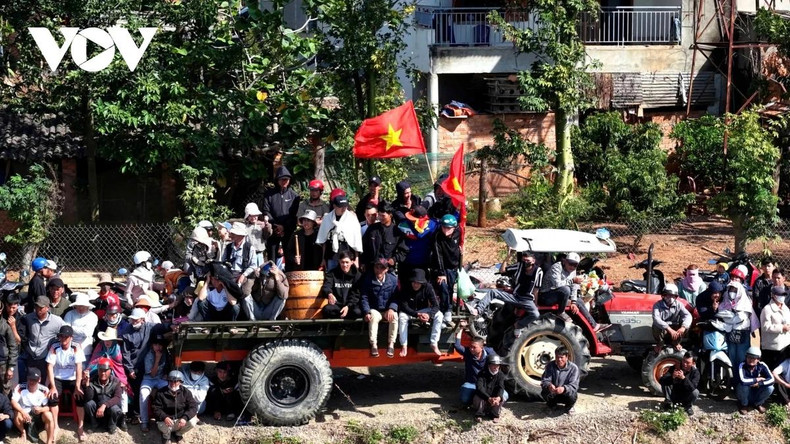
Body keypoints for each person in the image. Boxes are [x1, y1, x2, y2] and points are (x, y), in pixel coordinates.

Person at [120, 309, 170, 425]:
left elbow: (160, 327)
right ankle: (136, 415)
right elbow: (126, 353)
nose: (133, 322)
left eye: (135, 320)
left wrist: (171, 326)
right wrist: (130, 369)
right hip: (135, 365)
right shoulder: (126, 332)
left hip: (149, 362)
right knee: (137, 391)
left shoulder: (149, 327)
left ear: (142, 320)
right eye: (132, 319)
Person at [470, 250, 541, 329]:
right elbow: (502, 270)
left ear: (533, 261)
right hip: (515, 297)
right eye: (524, 260)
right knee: (493, 292)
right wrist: (508, 256)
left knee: (536, 314)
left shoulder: (538, 271)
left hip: (527, 300)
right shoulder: (519, 266)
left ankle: (518, 326)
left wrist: (536, 303)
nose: (526, 262)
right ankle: (478, 310)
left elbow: (536, 288)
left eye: (528, 261)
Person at [540, 253, 602, 330]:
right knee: (566, 289)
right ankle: (560, 312)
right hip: (547, 296)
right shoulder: (556, 267)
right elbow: (557, 284)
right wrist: (572, 280)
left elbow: (574, 286)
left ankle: (592, 326)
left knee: (579, 301)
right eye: (570, 263)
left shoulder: (573, 270)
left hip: (560, 296)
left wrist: (573, 302)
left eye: (575, 265)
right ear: (565, 261)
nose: (572, 266)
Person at [45, 325, 85, 438]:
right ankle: (56, 425)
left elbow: (79, 368)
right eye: (61, 336)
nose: (63, 339)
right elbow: (50, 367)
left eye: (66, 337)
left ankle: (81, 426)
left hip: (72, 378)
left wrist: (77, 386)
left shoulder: (76, 347)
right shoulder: (54, 347)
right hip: (58, 377)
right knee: (53, 397)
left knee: (80, 396)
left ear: (71, 337)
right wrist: (52, 386)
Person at [397, 269, 443, 357]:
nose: (415, 284)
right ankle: (404, 345)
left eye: (418, 282)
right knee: (402, 317)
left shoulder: (428, 287)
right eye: (413, 282)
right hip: (410, 311)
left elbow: (436, 305)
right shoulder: (406, 287)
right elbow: (403, 306)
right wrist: (416, 314)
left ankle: (434, 342)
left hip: (424, 311)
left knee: (439, 315)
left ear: (422, 282)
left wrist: (429, 315)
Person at [19, 296, 65, 382]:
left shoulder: (57, 321)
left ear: (48, 307)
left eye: (41, 307)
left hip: (45, 358)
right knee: (29, 382)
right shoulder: (28, 318)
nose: (38, 309)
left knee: (42, 382)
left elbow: (67, 331)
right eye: (36, 306)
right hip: (30, 357)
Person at [360, 259, 399, 357]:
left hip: (387, 310)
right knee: (373, 317)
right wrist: (367, 311)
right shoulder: (368, 279)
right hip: (375, 309)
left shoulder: (393, 280)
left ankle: (391, 344)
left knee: (394, 316)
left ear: (386, 269)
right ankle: (373, 344)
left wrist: (392, 308)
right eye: (376, 267)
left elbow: (396, 297)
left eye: (382, 268)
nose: (378, 270)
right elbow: (364, 297)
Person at [262, 165, 301, 261]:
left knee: (289, 256)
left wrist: (284, 227)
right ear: (277, 180)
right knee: (272, 256)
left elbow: (294, 214)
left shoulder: (294, 196)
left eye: (287, 179)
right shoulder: (269, 194)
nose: (284, 181)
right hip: (274, 230)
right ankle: (272, 275)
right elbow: (266, 210)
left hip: (288, 230)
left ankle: (289, 275)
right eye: (282, 179)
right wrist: (276, 225)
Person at [316, 195, 363, 271]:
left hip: (347, 256)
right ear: (334, 206)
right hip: (331, 255)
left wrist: (357, 259)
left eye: (345, 206)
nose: (343, 209)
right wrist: (323, 259)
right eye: (341, 206)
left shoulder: (352, 218)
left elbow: (356, 240)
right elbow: (323, 240)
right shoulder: (328, 218)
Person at [431, 214, 462, 329]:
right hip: (441, 268)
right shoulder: (437, 236)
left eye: (449, 228)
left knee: (449, 289)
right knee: (443, 287)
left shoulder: (458, 232)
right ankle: (446, 311)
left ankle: (447, 312)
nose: (446, 230)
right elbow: (438, 255)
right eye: (444, 227)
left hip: (453, 267)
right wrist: (441, 273)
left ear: (454, 228)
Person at [82, 357, 125, 438]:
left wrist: (105, 405)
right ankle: (94, 424)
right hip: (97, 409)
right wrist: (87, 384)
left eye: (105, 371)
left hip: (109, 408)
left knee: (115, 409)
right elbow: (88, 398)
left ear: (111, 371)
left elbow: (117, 397)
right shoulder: (93, 380)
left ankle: (112, 425)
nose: (103, 373)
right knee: (88, 404)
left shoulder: (116, 381)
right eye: (100, 370)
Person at [454, 332, 500, 407]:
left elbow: (497, 367)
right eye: (470, 346)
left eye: (474, 347)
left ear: (482, 348)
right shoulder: (468, 352)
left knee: (504, 395)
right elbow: (457, 345)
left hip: (486, 384)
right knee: (464, 399)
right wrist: (460, 329)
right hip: (472, 384)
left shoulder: (490, 354)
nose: (471, 349)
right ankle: (476, 400)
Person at [152, 370, 199, 444]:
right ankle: (166, 437)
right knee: (162, 426)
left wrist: (185, 418)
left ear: (180, 382)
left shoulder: (186, 392)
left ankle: (178, 434)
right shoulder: (161, 393)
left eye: (176, 381)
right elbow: (156, 408)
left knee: (193, 422)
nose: (173, 383)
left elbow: (193, 406)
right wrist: (165, 417)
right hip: (166, 421)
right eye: (171, 381)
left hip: (180, 420)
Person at [721, 273, 758, 367]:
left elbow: (741, 317)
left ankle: (742, 380)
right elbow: (722, 315)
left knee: (742, 358)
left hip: (742, 333)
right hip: (730, 333)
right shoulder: (725, 300)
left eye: (735, 290)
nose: (732, 292)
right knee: (731, 358)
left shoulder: (744, 302)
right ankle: (733, 380)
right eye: (731, 289)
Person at [360, 202, 408, 272]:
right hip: (371, 268)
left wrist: (394, 259)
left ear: (390, 215)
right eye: (379, 215)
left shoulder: (396, 232)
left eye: (383, 216)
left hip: (387, 270)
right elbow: (364, 247)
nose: (380, 218)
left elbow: (404, 251)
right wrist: (363, 262)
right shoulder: (372, 229)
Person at [11, 368, 55, 444]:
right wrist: (22, 412)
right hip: (24, 414)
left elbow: (48, 407)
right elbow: (13, 401)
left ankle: (49, 441)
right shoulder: (20, 387)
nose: (32, 382)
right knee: (16, 413)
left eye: (34, 380)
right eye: (30, 379)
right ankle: (23, 431)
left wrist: (41, 409)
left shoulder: (44, 390)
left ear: (39, 380)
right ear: (27, 378)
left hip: (38, 415)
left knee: (49, 415)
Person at [396, 205, 436, 285]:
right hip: (405, 263)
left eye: (413, 220)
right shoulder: (403, 224)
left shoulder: (431, 224)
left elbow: (420, 234)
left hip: (422, 264)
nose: (411, 220)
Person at [221, 222, 258, 303]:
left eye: (234, 233)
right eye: (232, 233)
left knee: (244, 293)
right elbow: (223, 262)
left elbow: (254, 265)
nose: (232, 235)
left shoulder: (249, 248)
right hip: (229, 275)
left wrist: (243, 275)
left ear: (241, 235)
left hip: (244, 275)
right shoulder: (228, 247)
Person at [139, 336, 169, 433]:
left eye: (160, 344)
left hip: (160, 378)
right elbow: (152, 374)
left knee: (169, 390)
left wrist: (166, 374)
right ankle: (144, 421)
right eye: (156, 344)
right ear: (152, 345)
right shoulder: (149, 355)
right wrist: (157, 358)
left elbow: (168, 366)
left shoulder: (165, 353)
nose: (158, 347)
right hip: (149, 379)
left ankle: (165, 417)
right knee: (143, 394)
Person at [321, 252, 362, 319]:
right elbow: (326, 286)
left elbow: (356, 295)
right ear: (339, 262)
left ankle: (348, 325)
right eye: (342, 262)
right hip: (337, 306)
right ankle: (338, 325)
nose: (344, 265)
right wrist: (329, 293)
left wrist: (348, 306)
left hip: (350, 306)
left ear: (352, 262)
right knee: (327, 310)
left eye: (347, 262)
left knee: (357, 312)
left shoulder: (357, 275)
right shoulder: (332, 273)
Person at [651, 283, 692, 351]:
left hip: (675, 328)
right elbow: (656, 319)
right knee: (655, 325)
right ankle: (660, 343)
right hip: (663, 330)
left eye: (673, 296)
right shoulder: (657, 305)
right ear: (663, 295)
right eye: (668, 295)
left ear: (676, 297)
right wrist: (669, 329)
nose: (670, 298)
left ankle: (676, 342)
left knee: (687, 325)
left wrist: (683, 327)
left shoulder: (679, 305)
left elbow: (687, 315)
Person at [540, 346, 580, 415]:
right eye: (557, 357)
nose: (559, 360)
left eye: (561, 357)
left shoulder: (574, 368)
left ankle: (569, 407)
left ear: (567, 357)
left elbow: (574, 385)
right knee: (544, 391)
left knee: (573, 395)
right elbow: (544, 380)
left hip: (565, 394)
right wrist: (549, 385)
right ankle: (552, 406)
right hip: (554, 393)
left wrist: (564, 388)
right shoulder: (550, 366)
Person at [736, 346, 774, 414]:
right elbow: (743, 380)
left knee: (770, 388)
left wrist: (760, 383)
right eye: (749, 357)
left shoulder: (762, 365)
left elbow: (772, 379)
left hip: (756, 392)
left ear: (758, 359)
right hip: (744, 393)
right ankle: (744, 405)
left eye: (754, 358)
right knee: (743, 386)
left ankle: (758, 404)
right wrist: (757, 379)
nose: (750, 359)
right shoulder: (742, 365)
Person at [759, 285, 790, 370]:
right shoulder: (767, 309)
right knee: (770, 369)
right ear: (773, 295)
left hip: (784, 345)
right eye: (779, 295)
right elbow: (765, 326)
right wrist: (781, 328)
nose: (782, 297)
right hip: (771, 347)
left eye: (783, 295)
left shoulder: (785, 308)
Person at [472, 354, 506, 423]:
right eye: (494, 365)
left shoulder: (500, 375)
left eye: (498, 365)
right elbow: (479, 387)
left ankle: (494, 415)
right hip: (485, 396)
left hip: (494, 396)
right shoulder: (482, 373)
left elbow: (501, 387)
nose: (496, 367)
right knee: (478, 397)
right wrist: (488, 398)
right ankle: (479, 414)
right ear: (488, 365)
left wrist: (498, 397)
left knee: (502, 397)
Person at [64, 293, 98, 359]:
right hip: (70, 350)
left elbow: (87, 332)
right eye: (79, 305)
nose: (81, 308)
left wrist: (71, 328)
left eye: (83, 306)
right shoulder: (69, 314)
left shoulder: (93, 316)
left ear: (87, 306)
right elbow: (66, 331)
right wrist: (80, 329)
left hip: (85, 351)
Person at [0, 300, 18, 397]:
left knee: (5, 388)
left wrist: (11, 367)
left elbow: (13, 347)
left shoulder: (5, 326)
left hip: (3, 363)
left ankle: (5, 410)